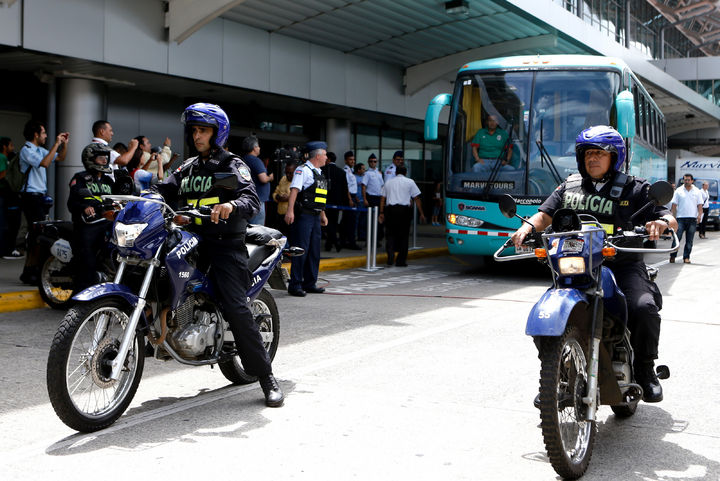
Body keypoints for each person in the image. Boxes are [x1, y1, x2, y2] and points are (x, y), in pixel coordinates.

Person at [511, 125, 677, 403]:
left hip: (621, 264)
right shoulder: (569, 186)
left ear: (615, 157)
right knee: (546, 313)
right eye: (588, 153)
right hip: (577, 264)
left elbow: (668, 217)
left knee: (643, 307)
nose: (593, 158)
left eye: (600, 153)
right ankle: (558, 374)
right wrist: (527, 227)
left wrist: (661, 222)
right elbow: (544, 215)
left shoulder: (635, 188)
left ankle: (645, 368)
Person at [154, 103, 283, 408]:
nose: (197, 136)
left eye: (203, 130)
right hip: (191, 240)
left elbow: (250, 198)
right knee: (157, 273)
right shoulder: (188, 168)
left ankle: (266, 377)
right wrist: (143, 199)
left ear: (217, 133)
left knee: (235, 306)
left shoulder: (230, 164)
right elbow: (163, 190)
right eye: (194, 130)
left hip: (224, 244)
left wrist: (231, 205)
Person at [18, 120, 69, 284]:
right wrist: (56, 143)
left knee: (38, 235)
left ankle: (30, 271)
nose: (46, 136)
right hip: (30, 196)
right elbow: (45, 163)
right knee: (37, 235)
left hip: (39, 196)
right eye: (44, 133)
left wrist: (64, 144)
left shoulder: (40, 150)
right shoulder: (26, 150)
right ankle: (31, 271)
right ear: (36, 135)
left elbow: (60, 157)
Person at [67, 143, 116, 291]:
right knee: (87, 259)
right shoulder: (80, 178)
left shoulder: (109, 181)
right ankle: (81, 292)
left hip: (107, 222)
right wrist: (84, 208)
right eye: (100, 157)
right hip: (88, 225)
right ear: (90, 159)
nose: (104, 160)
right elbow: (72, 203)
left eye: (106, 157)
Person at [284, 141, 329, 297]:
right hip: (304, 215)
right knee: (300, 250)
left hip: (316, 216)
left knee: (314, 251)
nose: (326, 157)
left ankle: (310, 283)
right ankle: (295, 285)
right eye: (325, 154)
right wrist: (290, 211)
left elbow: (319, 197)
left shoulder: (319, 172)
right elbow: (294, 190)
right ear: (317, 156)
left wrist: (323, 214)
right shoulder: (303, 170)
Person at [379, 165, 425, 266]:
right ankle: (401, 260)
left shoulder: (388, 182)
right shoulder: (410, 182)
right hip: (404, 211)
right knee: (403, 236)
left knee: (390, 235)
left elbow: (382, 198)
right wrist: (421, 213)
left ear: (396, 173)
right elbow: (416, 198)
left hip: (390, 210)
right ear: (405, 173)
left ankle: (390, 256)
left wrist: (381, 213)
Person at [669, 173, 703, 263]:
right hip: (680, 218)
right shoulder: (678, 191)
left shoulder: (697, 191)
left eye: (688, 180)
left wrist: (699, 215)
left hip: (692, 219)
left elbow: (700, 205)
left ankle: (686, 257)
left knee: (689, 240)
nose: (686, 181)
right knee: (677, 238)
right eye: (685, 180)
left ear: (692, 181)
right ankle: (672, 256)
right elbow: (674, 205)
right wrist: (672, 217)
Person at [242, 135, 273, 225]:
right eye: (258, 146)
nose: (259, 148)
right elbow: (263, 179)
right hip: (257, 200)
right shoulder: (255, 160)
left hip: (246, 199)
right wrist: (271, 177)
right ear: (254, 148)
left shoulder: (243, 159)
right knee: (257, 228)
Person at [321, 151, 349, 252]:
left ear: (328, 159)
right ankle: (330, 244)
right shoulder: (341, 172)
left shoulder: (322, 170)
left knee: (327, 223)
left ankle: (334, 242)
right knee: (333, 222)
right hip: (337, 202)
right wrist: (345, 203)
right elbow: (344, 189)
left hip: (324, 201)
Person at [0, 137, 23, 259]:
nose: (13, 148)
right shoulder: (2, 157)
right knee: (5, 224)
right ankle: (5, 249)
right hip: (3, 194)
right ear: (4, 146)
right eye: (11, 145)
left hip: (6, 195)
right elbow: (2, 174)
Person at [361, 153, 384, 244]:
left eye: (374, 161)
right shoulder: (367, 174)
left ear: (376, 162)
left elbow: (382, 186)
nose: (373, 163)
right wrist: (365, 199)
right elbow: (363, 187)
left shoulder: (379, 173)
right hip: (371, 198)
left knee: (378, 220)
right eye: (371, 161)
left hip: (379, 198)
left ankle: (376, 240)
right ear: (368, 162)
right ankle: (369, 240)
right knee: (370, 221)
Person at [340, 151, 361, 250]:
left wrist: (355, 197)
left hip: (352, 197)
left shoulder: (351, 170)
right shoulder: (345, 171)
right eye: (350, 159)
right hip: (349, 198)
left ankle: (344, 241)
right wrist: (350, 199)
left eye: (353, 159)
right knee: (350, 221)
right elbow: (346, 187)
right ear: (346, 161)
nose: (353, 161)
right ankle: (351, 242)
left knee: (347, 221)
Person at [272, 161, 295, 237]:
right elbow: (275, 193)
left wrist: (289, 198)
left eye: (290, 173)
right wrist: (278, 197)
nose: (288, 175)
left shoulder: (298, 181)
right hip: (280, 215)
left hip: (292, 217)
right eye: (286, 172)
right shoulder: (283, 179)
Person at [354, 161, 367, 241]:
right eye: (363, 169)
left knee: (363, 220)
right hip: (357, 201)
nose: (364, 170)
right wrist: (356, 198)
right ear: (358, 170)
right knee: (356, 219)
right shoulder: (354, 177)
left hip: (364, 201)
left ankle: (361, 236)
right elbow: (353, 189)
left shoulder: (365, 177)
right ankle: (355, 236)